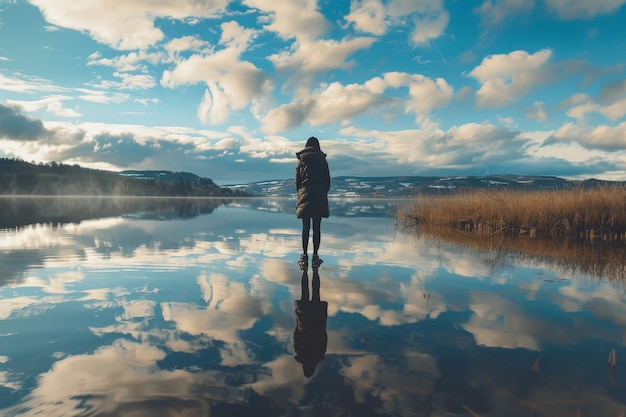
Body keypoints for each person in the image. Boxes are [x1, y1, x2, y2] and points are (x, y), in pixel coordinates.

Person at [295, 136, 331, 269]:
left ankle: (304, 257)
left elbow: (297, 181)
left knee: (305, 227)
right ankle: (315, 257)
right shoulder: (323, 161)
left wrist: (301, 193)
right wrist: (322, 192)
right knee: (317, 227)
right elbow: (327, 181)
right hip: (319, 195)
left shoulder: (301, 161)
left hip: (304, 194)